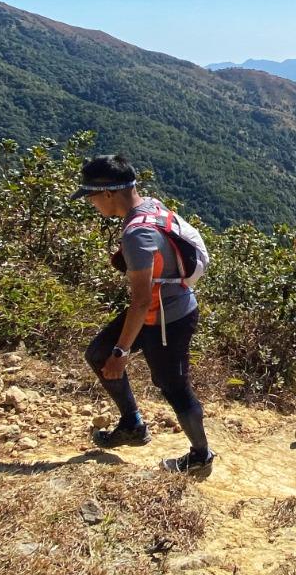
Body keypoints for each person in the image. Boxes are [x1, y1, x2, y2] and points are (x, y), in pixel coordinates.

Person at [73, 154, 215, 475]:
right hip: (160, 308)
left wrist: (122, 352)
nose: (91, 203)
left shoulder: (137, 233)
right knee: (98, 354)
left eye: (92, 196)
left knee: (173, 386)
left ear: (109, 194)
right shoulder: (149, 204)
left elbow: (140, 300)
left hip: (170, 318)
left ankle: (200, 456)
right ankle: (132, 425)